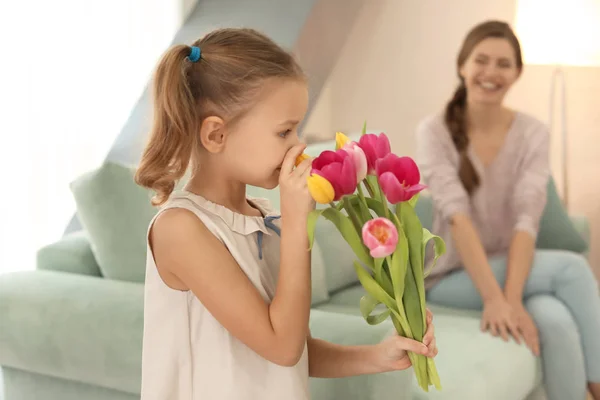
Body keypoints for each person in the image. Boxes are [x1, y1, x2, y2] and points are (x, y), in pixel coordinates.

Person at [134, 28, 437, 400]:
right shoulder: (181, 229)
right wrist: (297, 226)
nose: (298, 144)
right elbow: (282, 347)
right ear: (215, 135)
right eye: (285, 131)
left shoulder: (264, 219)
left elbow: (293, 345)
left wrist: (377, 357)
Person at [415, 19, 600, 400]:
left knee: (556, 321)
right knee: (573, 268)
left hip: (515, 269)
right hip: (452, 277)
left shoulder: (533, 132)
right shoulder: (433, 131)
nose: (491, 72)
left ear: (517, 73)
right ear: (462, 65)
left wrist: (512, 299)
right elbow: (457, 217)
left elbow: (526, 220)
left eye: (504, 63)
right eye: (481, 60)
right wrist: (496, 300)